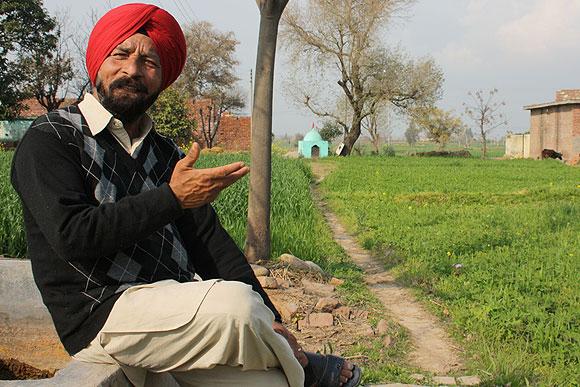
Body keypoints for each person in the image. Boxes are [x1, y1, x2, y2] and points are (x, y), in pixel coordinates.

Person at [11, 3, 361, 387]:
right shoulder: (52, 138)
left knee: (272, 381)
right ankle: (308, 369)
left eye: (149, 62)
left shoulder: (162, 152)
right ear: (97, 64)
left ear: (161, 78)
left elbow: (210, 244)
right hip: (102, 314)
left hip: (175, 314)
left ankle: (289, 361)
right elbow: (74, 236)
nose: (133, 70)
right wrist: (172, 198)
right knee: (237, 307)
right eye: (121, 54)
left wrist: (272, 316)